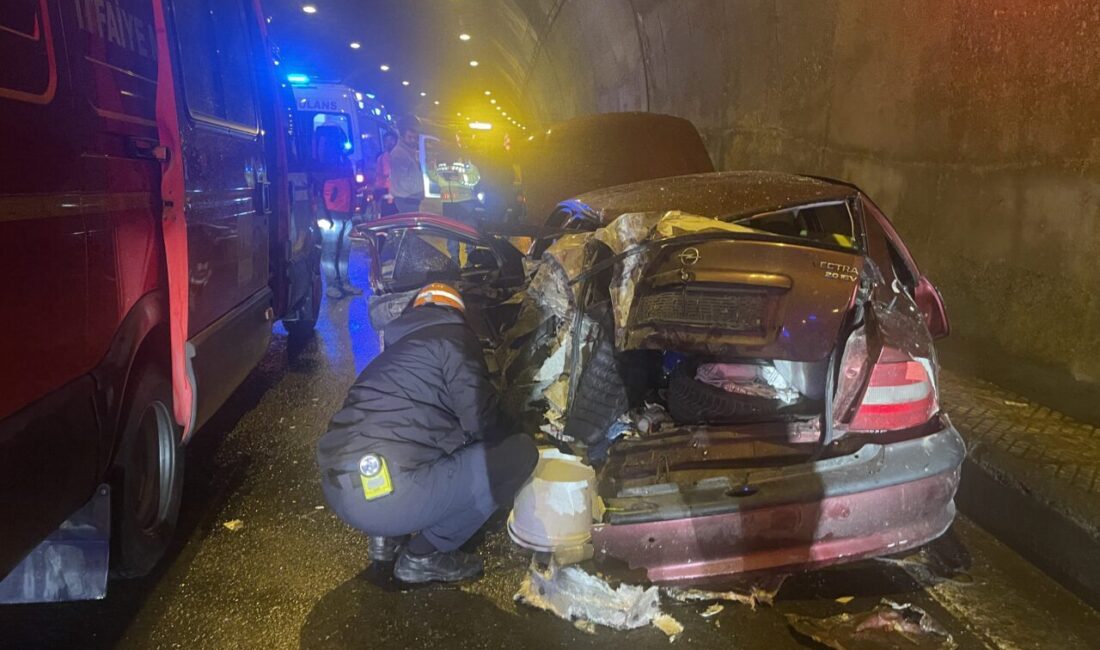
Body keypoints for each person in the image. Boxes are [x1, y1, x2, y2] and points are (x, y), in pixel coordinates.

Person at [316, 283, 539, 583]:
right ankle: (424, 556)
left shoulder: (396, 353)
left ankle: (386, 538)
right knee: (517, 454)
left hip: (340, 490)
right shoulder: (454, 339)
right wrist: (517, 428)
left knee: (412, 442)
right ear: (456, 311)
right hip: (385, 499)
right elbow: (480, 420)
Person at [311, 125, 361, 298]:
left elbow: (351, 186)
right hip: (331, 214)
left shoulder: (343, 161)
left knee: (344, 251)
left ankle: (344, 283)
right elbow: (317, 192)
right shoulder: (321, 164)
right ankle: (332, 285)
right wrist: (322, 215)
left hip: (346, 213)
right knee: (330, 252)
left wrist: (354, 211)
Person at [389, 122, 425, 214]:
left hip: (410, 197)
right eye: (409, 137)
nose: (413, 140)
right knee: (410, 221)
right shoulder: (399, 153)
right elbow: (402, 179)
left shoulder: (409, 151)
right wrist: (415, 192)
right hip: (407, 198)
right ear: (402, 136)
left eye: (415, 138)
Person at [374, 131, 399, 217]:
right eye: (386, 141)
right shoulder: (383, 157)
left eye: (391, 140)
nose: (389, 143)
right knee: (389, 217)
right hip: (387, 192)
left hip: (397, 193)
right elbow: (387, 173)